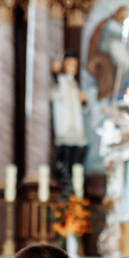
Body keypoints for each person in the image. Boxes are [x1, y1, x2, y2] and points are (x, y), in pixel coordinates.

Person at [50, 50, 87, 194]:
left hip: (76, 125)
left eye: (75, 64)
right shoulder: (61, 80)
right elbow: (54, 89)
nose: (73, 67)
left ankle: (73, 178)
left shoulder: (74, 84)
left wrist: (83, 101)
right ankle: (65, 175)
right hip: (65, 124)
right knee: (64, 152)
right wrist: (55, 71)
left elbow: (82, 106)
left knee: (78, 151)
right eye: (70, 64)